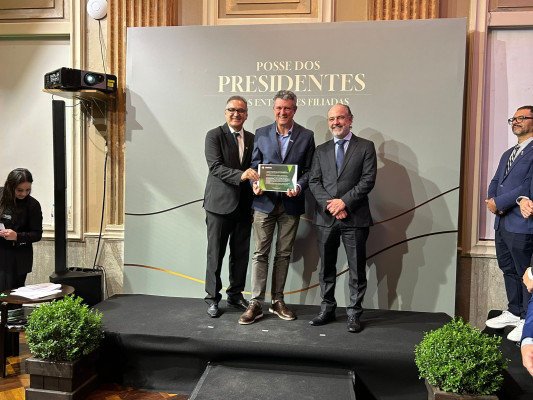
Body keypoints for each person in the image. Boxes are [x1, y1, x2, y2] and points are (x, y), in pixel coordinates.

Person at [238, 90, 315, 325]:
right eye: (279, 108)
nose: (283, 112)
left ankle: (277, 300)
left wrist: (299, 186)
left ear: (294, 110)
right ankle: (256, 303)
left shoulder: (306, 135)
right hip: (264, 203)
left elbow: (310, 170)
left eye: (287, 108)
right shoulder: (261, 134)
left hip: (291, 203)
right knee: (260, 253)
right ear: (274, 109)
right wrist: (254, 184)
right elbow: (255, 166)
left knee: (283, 254)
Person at [307, 104, 377, 333]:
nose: (335, 122)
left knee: (356, 269)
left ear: (350, 120)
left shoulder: (365, 147)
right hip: (326, 218)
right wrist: (333, 206)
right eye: (331, 119)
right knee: (326, 268)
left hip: (354, 218)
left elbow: (368, 180)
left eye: (340, 118)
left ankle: (354, 314)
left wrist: (344, 202)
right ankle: (327, 309)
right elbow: (314, 181)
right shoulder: (321, 150)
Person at [203, 96, 259, 318]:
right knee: (215, 254)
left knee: (240, 255)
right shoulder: (214, 135)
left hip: (244, 206)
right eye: (232, 110)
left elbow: (256, 169)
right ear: (225, 112)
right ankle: (212, 298)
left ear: (246, 115)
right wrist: (242, 175)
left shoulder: (253, 138)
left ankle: (235, 295)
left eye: (241, 111)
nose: (236, 114)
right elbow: (215, 167)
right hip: (218, 206)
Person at [485, 105, 533, 342]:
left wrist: (501, 202)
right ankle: (514, 311)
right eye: (513, 119)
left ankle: (527, 318)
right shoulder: (508, 153)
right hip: (502, 223)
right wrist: (492, 201)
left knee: (526, 274)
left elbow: (528, 186)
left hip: (522, 224)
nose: (516, 121)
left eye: (521, 117)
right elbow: (496, 181)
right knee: (508, 269)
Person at [0, 168, 43, 292]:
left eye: (28, 190)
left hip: (18, 258)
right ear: (10, 186)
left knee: (12, 294)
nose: (24, 194)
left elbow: (37, 234)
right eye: (20, 190)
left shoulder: (33, 205)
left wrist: (17, 236)